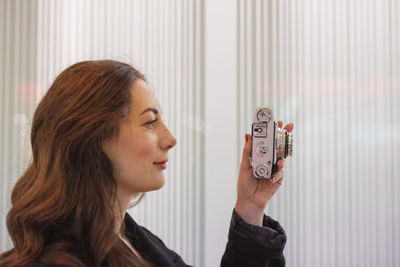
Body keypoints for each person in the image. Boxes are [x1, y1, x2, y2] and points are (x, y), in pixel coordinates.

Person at [0, 60, 294, 267]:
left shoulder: (134, 239)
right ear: (93, 137)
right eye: (151, 122)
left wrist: (250, 208)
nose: (171, 138)